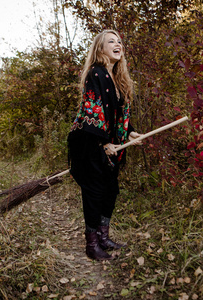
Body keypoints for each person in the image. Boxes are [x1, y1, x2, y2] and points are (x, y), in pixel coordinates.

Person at [67, 30, 142, 261]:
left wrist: (129, 133)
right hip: (89, 142)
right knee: (94, 192)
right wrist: (104, 142)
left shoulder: (119, 78)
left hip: (110, 144)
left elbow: (120, 115)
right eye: (111, 41)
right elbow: (93, 110)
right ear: (100, 49)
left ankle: (103, 236)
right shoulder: (95, 74)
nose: (118, 44)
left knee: (110, 190)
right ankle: (92, 244)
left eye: (119, 40)